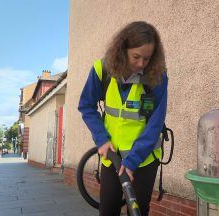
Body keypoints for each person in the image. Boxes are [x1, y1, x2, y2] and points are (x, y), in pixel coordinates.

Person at [78, 21, 168, 216]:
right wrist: (101, 139)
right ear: (122, 49)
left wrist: (133, 161)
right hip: (113, 158)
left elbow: (155, 123)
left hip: (144, 160)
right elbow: (86, 106)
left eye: (147, 58)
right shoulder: (102, 70)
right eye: (136, 57)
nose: (141, 64)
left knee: (137, 211)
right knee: (108, 210)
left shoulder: (156, 77)